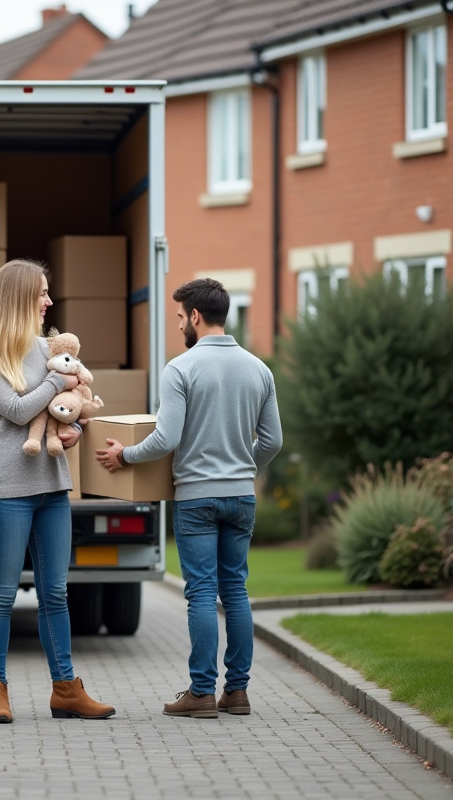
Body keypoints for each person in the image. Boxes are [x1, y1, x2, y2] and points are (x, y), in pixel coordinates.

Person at [96, 277, 282, 718]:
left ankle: (201, 694)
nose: (179, 324)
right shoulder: (259, 369)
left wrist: (126, 456)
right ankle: (236, 692)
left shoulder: (181, 368)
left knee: (201, 593)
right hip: (241, 496)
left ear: (195, 316)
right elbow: (272, 441)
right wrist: (243, 466)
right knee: (235, 590)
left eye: (180, 317)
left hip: (197, 498)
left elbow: (166, 437)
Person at [0, 258, 115, 723]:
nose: (49, 301)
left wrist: (74, 428)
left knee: (55, 594)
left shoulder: (48, 346)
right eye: (41, 294)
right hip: (6, 489)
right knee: (2, 595)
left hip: (52, 485)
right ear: (18, 298)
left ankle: (66, 690)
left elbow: (71, 408)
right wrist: (58, 377)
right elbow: (16, 408)